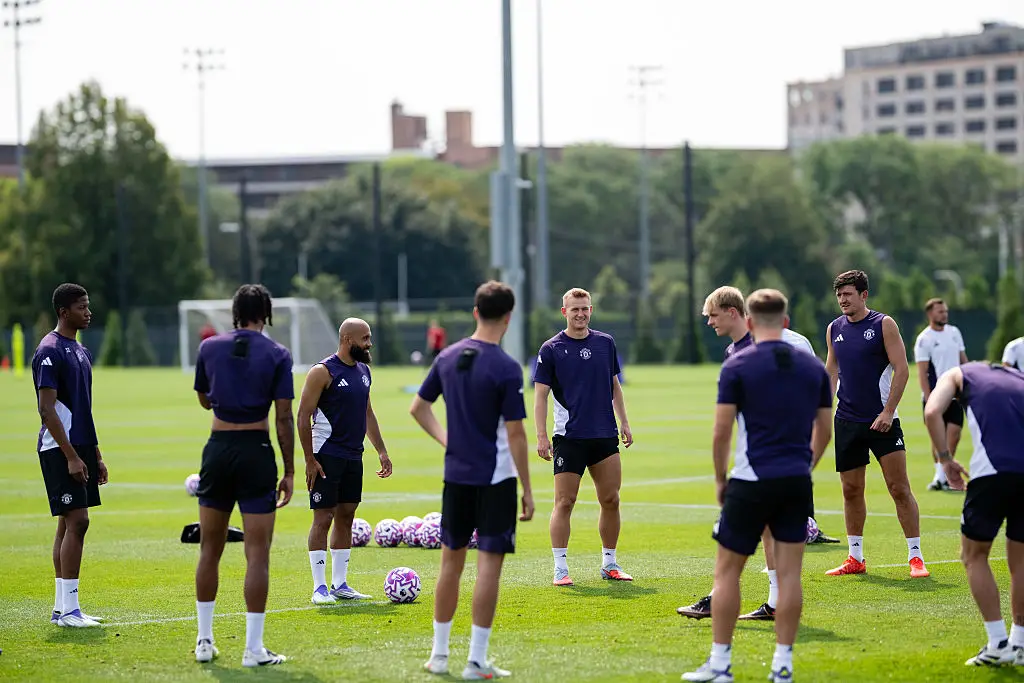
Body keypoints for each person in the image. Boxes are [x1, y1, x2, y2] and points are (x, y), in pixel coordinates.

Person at [683, 289, 833, 683]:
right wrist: (807, 465)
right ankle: (782, 667)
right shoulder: (812, 366)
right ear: (785, 322)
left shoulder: (738, 364)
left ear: (748, 321)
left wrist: (720, 479)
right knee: (790, 576)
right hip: (795, 481)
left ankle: (720, 665)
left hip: (750, 480)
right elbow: (825, 429)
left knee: (727, 572)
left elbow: (720, 432)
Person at [409, 280, 534, 680]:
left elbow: (418, 408)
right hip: (494, 479)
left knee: (450, 564)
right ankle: (476, 660)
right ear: (509, 318)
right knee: (488, 569)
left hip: (456, 476)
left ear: (475, 311)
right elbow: (515, 434)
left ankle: (439, 656)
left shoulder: (446, 357)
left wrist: (448, 440)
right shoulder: (506, 366)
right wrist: (527, 489)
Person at [191, 284, 295, 667]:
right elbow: (283, 417)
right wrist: (289, 471)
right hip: (256, 451)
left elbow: (204, 398)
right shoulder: (278, 354)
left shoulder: (209, 347)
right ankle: (253, 649)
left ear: (234, 313)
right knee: (257, 555)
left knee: (209, 551)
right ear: (266, 314)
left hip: (217, 450)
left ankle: (204, 641)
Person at [824, 270, 929, 579]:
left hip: (883, 421)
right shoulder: (834, 329)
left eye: (848, 294)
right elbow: (831, 370)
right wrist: (821, 408)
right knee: (851, 489)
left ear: (864, 295)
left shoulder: (883, 324)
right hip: (846, 420)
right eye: (839, 295)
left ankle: (915, 556)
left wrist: (888, 411)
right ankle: (855, 557)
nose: (843, 300)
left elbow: (902, 369)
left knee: (899, 488)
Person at [923, 361, 1024, 666]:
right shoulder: (1019, 378)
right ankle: (1020, 644)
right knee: (1021, 560)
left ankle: (997, 643)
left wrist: (945, 460)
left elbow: (931, 412)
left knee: (974, 555)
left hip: (991, 472)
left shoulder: (957, 374)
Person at [533, 287, 633, 587]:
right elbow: (540, 396)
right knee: (565, 501)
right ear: (564, 312)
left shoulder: (606, 343)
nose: (580, 314)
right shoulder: (551, 349)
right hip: (569, 436)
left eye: (585, 308)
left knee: (611, 499)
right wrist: (541, 435)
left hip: (604, 434)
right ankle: (561, 569)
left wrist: (624, 421)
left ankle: (610, 563)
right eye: (574, 309)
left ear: (591, 310)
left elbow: (614, 385)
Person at [298, 318, 392, 605]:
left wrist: (381, 450)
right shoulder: (322, 372)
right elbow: (302, 416)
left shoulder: (364, 371)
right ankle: (319, 587)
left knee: (346, 515)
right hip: (326, 455)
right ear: (348, 340)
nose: (369, 343)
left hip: (354, 455)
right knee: (323, 517)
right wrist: (309, 460)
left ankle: (340, 584)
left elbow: (367, 412)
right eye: (365, 338)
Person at [32, 283, 109, 628]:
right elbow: (47, 411)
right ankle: (70, 611)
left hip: (80, 447)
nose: (88, 312)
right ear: (64, 312)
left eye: (88, 306)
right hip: (59, 448)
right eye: (81, 307)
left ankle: (62, 608)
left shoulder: (80, 351)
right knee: (79, 521)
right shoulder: (49, 351)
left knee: (67, 522)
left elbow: (84, 409)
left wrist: (95, 454)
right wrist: (71, 457)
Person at [913, 298, 968, 492]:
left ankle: (942, 476)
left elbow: (963, 361)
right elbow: (922, 371)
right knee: (938, 437)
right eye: (940, 312)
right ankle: (941, 477)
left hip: (956, 394)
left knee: (954, 434)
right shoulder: (924, 339)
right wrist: (929, 398)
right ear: (930, 314)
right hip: (936, 396)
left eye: (945, 311)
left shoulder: (954, 332)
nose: (944, 314)